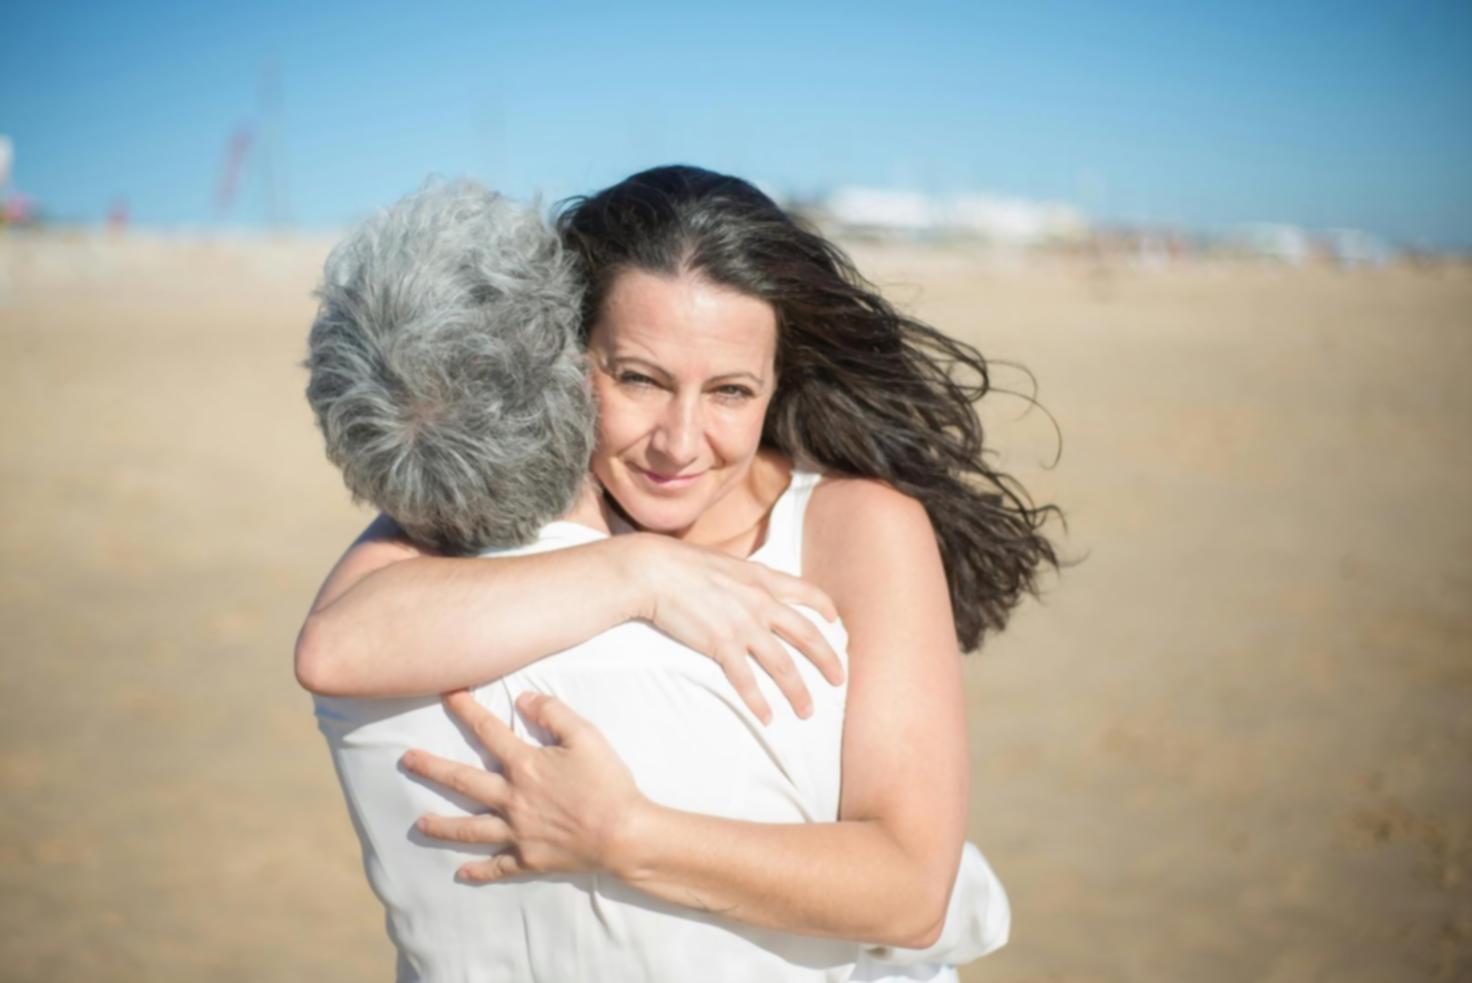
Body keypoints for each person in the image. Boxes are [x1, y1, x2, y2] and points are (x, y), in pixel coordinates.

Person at [298, 168, 1056, 974]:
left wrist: (625, 835)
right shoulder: (511, 499)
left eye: (730, 391)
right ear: (565, 354)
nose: (679, 443)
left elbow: (909, 890)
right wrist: (641, 572)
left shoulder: (855, 527)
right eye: (639, 378)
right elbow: (336, 647)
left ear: (775, 384)